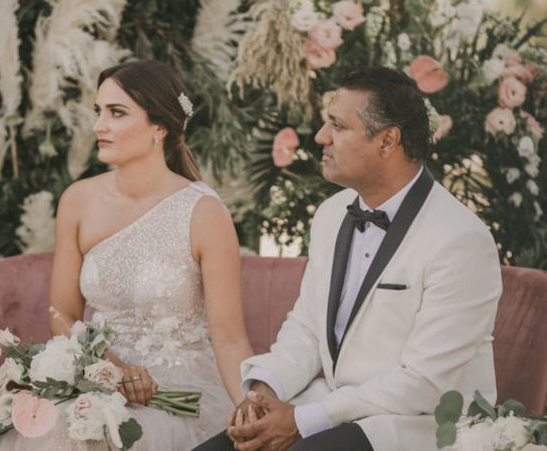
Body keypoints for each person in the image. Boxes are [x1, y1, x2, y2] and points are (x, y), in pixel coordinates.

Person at [0, 59, 253, 450]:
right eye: (98, 111)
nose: (99, 125)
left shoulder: (204, 213)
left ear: (160, 127)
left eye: (116, 113)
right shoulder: (78, 201)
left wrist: (252, 412)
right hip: (97, 381)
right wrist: (111, 369)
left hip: (179, 394)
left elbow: (231, 338)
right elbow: (61, 315)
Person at [196, 67, 502, 451]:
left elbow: (425, 382)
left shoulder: (461, 239)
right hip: (336, 408)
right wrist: (264, 390)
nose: (321, 137)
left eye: (337, 126)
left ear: (388, 140)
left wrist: (303, 420)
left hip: (419, 424)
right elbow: (307, 327)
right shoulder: (331, 214)